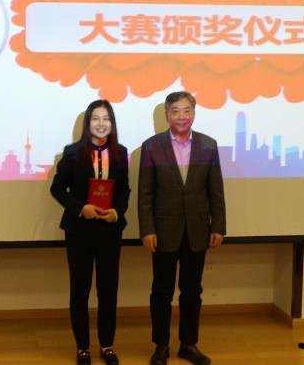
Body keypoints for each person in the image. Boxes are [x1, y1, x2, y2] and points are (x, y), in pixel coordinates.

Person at [138, 91, 226, 365]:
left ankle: (189, 344)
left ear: (194, 113)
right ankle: (161, 346)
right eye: (175, 111)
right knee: (161, 292)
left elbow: (216, 191)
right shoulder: (152, 147)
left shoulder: (208, 145)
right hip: (163, 231)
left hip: (198, 231)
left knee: (192, 292)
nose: (181, 116)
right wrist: (147, 229)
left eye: (187, 111)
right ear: (167, 114)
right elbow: (145, 194)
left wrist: (218, 225)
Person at [51, 100, 131, 365]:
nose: (101, 123)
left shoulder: (120, 152)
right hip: (79, 231)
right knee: (80, 290)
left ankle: (107, 345)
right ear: (88, 123)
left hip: (109, 231)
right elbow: (57, 189)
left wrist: (117, 212)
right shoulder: (72, 153)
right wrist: (80, 208)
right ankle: (82, 347)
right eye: (96, 118)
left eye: (106, 118)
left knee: (108, 290)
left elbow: (124, 190)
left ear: (112, 123)